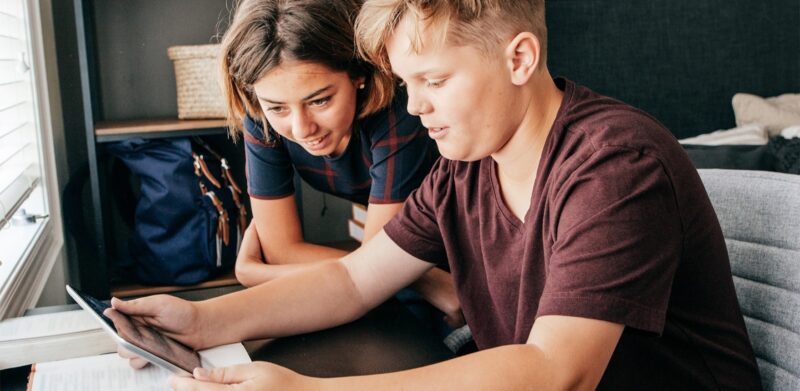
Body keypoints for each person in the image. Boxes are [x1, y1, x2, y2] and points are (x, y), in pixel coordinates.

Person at [112, 0, 762, 389]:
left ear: (519, 58)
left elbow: (556, 372)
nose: (414, 106)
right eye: (405, 82)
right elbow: (352, 281)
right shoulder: (465, 169)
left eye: (432, 80)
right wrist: (203, 319)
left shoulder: (614, 166)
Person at [218, 0, 463, 330]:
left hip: (463, 257)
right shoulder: (263, 118)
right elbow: (284, 250)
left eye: (320, 100)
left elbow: (377, 270)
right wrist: (426, 282)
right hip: (416, 272)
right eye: (278, 108)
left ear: (358, 74)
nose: (302, 128)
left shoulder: (398, 114)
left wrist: (255, 272)